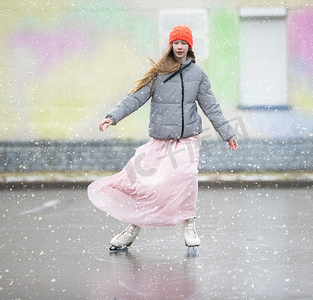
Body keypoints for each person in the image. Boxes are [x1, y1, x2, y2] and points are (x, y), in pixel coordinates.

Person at [88, 25, 238, 252]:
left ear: (190, 46)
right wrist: (113, 116)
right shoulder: (159, 73)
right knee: (144, 183)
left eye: (183, 43)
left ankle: (189, 223)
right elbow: (135, 98)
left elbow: (212, 107)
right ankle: (133, 227)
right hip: (160, 140)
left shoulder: (197, 75)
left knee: (186, 176)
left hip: (187, 138)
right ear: (170, 46)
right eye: (176, 43)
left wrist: (227, 134)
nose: (179, 47)